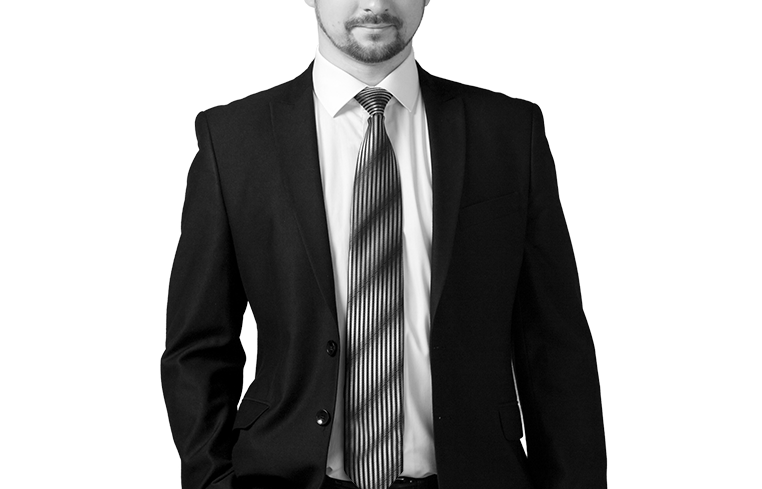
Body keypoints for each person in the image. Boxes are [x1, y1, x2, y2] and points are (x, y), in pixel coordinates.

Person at [161, 1, 606, 488]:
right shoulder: (233, 137)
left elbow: (554, 341)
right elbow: (198, 344)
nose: (374, 3)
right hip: (284, 475)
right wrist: (211, 481)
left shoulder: (508, 129)